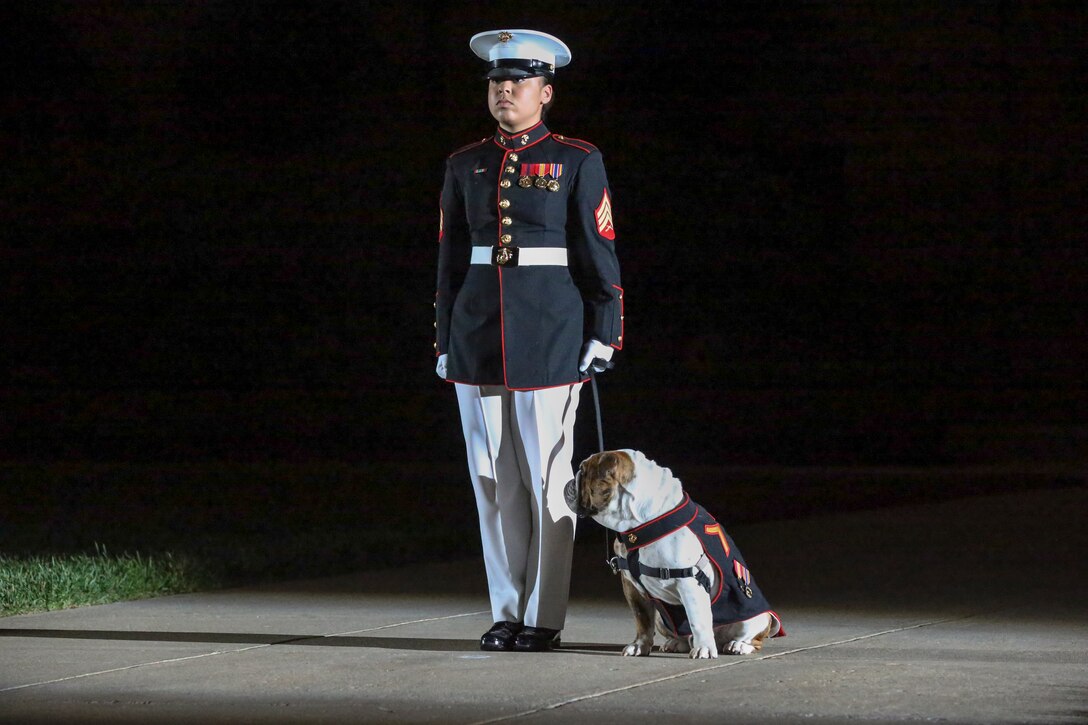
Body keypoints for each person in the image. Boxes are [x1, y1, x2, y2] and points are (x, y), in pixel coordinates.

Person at [433, 29, 624, 652]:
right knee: (491, 480)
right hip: (477, 336)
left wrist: (605, 330)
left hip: (550, 335)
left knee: (547, 480)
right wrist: (444, 337)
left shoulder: (575, 158)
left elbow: (598, 251)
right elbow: (451, 260)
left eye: (517, 81)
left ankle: (543, 618)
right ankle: (506, 612)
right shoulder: (465, 163)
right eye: (495, 81)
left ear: (546, 90)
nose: (504, 90)